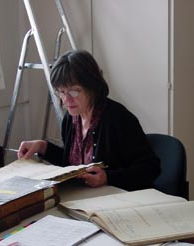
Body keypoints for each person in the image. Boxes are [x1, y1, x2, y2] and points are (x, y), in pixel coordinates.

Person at [17, 50, 161, 191]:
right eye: (61, 92)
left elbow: (150, 168)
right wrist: (43, 147)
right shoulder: (71, 118)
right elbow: (73, 165)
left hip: (120, 200)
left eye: (74, 91)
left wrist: (108, 177)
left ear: (92, 87)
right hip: (87, 198)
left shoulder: (118, 118)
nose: (67, 100)